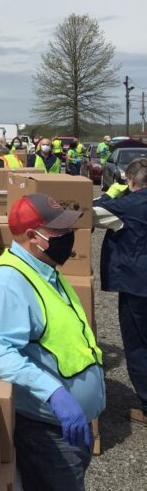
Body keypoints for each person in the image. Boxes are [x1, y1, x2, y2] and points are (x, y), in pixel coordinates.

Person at [0, 193, 105, 491]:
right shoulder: (7, 280)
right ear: (33, 238)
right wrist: (56, 394)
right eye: (59, 232)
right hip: (45, 430)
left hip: (70, 423)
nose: (69, 237)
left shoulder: (46, 268)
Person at [93, 158, 147, 425]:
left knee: (138, 345)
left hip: (139, 287)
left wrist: (111, 193)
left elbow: (87, 213)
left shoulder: (126, 206)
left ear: (131, 181)